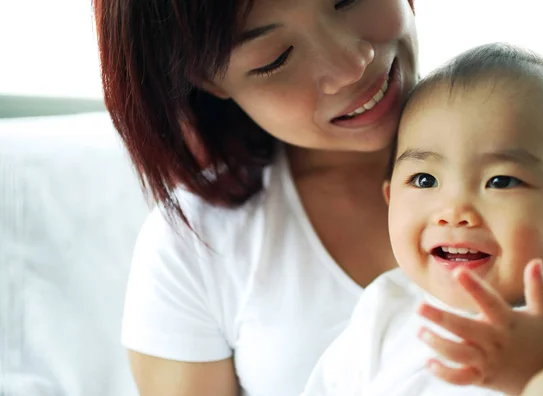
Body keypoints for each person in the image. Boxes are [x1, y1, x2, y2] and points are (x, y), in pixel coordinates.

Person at [94, 0, 418, 395]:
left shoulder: (515, 119)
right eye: (275, 59)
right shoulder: (194, 247)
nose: (351, 64)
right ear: (209, 80)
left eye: (348, 0)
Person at [302, 43, 543, 396]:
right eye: (425, 180)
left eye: (501, 181)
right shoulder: (382, 311)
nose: (454, 212)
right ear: (390, 200)